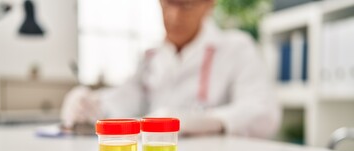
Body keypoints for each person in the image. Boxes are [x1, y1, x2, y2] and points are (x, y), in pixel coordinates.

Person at [61, 0, 280, 138]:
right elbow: (125, 100)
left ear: (209, 5)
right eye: (167, 4)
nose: (174, 17)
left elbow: (264, 113)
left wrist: (203, 122)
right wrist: (90, 103)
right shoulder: (151, 58)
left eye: (186, 5)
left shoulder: (236, 47)